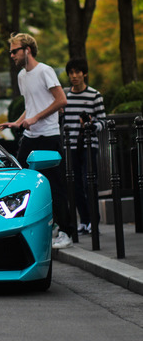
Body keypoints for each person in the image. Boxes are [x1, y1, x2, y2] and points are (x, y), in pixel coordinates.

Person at [0, 33, 73, 249]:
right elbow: (31, 106)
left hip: (49, 136)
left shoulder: (45, 71)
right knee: (20, 179)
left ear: (27, 50)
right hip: (30, 137)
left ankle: (65, 231)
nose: (11, 55)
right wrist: (18, 122)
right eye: (11, 51)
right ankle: (31, 226)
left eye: (14, 51)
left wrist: (36, 118)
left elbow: (61, 100)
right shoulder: (22, 76)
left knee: (55, 184)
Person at [62, 58, 106, 235]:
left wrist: (91, 127)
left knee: (90, 183)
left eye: (77, 72)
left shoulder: (95, 95)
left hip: (89, 144)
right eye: (71, 73)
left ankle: (94, 222)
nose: (74, 76)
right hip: (70, 145)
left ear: (84, 73)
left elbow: (103, 121)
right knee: (75, 185)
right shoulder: (65, 97)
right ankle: (84, 220)